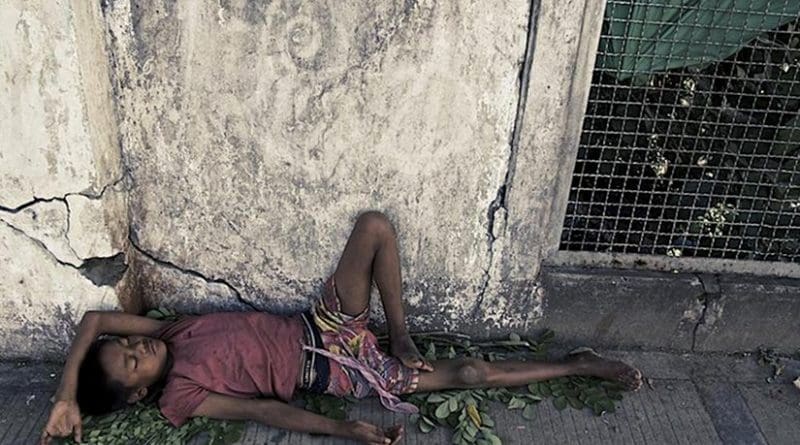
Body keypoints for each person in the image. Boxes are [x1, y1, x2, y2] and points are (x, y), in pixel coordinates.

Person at [40, 211, 642, 445]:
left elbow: (94, 319)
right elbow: (264, 413)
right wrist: (346, 429)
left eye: (126, 345)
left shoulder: (167, 333)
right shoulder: (183, 396)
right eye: (133, 363)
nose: (136, 346)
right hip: (334, 372)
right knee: (468, 373)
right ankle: (576, 363)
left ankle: (400, 333)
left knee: (375, 227)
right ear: (142, 391)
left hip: (324, 321)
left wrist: (66, 395)